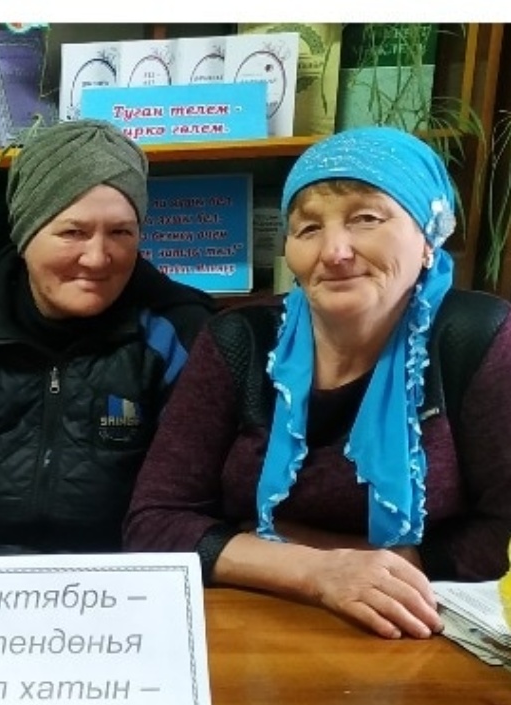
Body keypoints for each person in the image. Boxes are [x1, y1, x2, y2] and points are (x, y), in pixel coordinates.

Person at [124, 126, 511, 639]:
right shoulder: (240, 340)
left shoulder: (478, 339)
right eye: (307, 228)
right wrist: (321, 572)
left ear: (427, 238)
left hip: (417, 630)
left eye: (366, 219)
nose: (334, 251)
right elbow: (154, 523)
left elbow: (502, 534)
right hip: (254, 627)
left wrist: (365, 566)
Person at [0, 119, 214, 556]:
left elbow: (187, 503)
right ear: (25, 235)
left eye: (121, 232)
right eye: (73, 232)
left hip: (128, 580)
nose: (97, 258)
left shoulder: (186, 337)